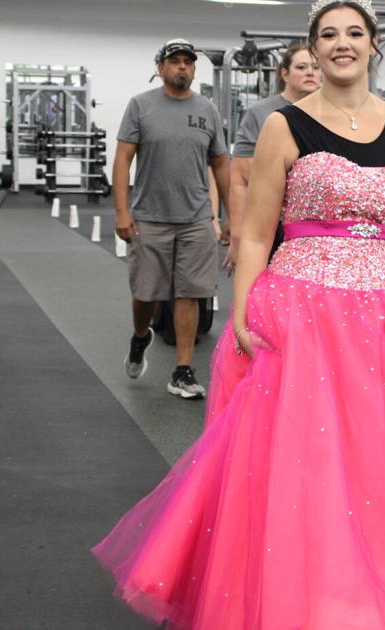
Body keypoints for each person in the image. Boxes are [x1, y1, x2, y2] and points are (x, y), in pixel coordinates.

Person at [92, 3, 385, 628]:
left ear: (374, 46)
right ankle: (316, 603)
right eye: (328, 35)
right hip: (304, 315)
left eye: (354, 33)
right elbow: (258, 232)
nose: (341, 44)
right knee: (311, 466)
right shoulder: (283, 127)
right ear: (312, 51)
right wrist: (240, 313)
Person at [114, 38, 231, 400]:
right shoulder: (141, 106)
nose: (183, 67)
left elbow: (222, 164)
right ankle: (140, 336)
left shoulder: (207, 110)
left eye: (188, 62)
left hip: (196, 217)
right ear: (160, 68)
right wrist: (122, 210)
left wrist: (229, 216)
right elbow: (122, 161)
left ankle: (182, 370)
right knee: (145, 295)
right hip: (150, 217)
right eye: (175, 61)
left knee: (191, 293)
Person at [225, 41, 322, 271]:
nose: (310, 72)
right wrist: (238, 236)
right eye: (301, 67)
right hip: (270, 223)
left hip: (316, 227)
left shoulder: (333, 114)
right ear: (285, 73)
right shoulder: (260, 113)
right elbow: (240, 179)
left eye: (316, 67)